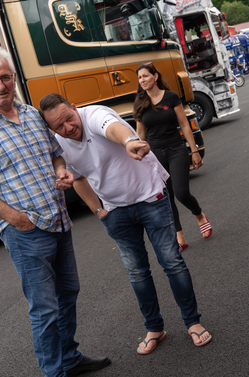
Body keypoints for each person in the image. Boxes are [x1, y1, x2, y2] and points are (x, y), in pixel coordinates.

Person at [0, 45, 110, 377]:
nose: (0, 85)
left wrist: (61, 171)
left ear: (13, 77)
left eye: (5, 77)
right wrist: (13, 217)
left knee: (68, 293)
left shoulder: (29, 113)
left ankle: (69, 358)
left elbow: (56, 155)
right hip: (25, 232)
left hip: (58, 220)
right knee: (44, 308)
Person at [38, 93, 212, 356]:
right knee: (137, 273)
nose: (68, 128)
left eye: (69, 119)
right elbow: (80, 178)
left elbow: (114, 128)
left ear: (75, 108)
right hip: (115, 210)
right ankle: (154, 328)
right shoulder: (60, 143)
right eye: (58, 126)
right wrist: (98, 211)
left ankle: (193, 321)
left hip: (149, 197)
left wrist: (130, 140)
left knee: (171, 262)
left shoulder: (95, 115)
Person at [133, 63, 212, 252]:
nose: (142, 80)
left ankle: (199, 214)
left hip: (176, 149)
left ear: (155, 77)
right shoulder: (140, 103)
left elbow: (184, 125)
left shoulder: (171, 97)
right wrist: (137, 159)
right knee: (166, 197)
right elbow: (140, 134)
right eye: (140, 78)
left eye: (145, 76)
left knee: (181, 192)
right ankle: (179, 235)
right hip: (155, 155)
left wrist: (194, 151)